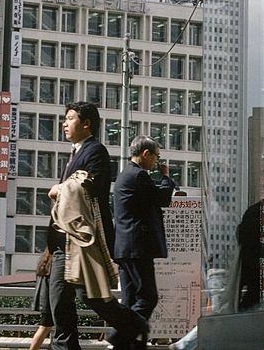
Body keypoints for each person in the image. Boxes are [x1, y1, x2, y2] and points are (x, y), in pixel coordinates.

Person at [46, 101, 149, 350]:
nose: (65, 123)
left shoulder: (96, 151)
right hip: (65, 242)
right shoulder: (76, 153)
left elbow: (93, 187)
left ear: (86, 124)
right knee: (59, 299)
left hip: (84, 241)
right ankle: (65, 346)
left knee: (91, 297)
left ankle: (134, 324)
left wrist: (60, 188)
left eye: (70, 118)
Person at [113, 135, 177, 326]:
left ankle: (129, 343)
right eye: (156, 156)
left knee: (130, 300)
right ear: (146, 153)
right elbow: (163, 198)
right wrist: (166, 177)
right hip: (137, 248)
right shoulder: (138, 175)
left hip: (124, 248)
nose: (157, 161)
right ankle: (120, 338)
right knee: (148, 298)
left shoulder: (125, 174)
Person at [30, 249, 54, 350]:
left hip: (44, 299)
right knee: (45, 327)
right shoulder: (54, 262)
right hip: (50, 299)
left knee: (45, 327)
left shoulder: (44, 261)